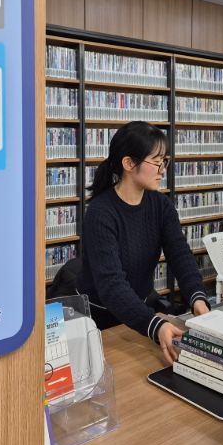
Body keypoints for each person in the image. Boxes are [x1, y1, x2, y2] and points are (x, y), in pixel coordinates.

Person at [75, 121, 210, 364]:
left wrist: (197, 298)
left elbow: (180, 254)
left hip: (139, 314)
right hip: (101, 324)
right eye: (156, 162)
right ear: (128, 164)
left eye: (164, 161)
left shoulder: (160, 205)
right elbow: (111, 285)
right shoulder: (100, 213)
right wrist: (155, 325)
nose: (162, 170)